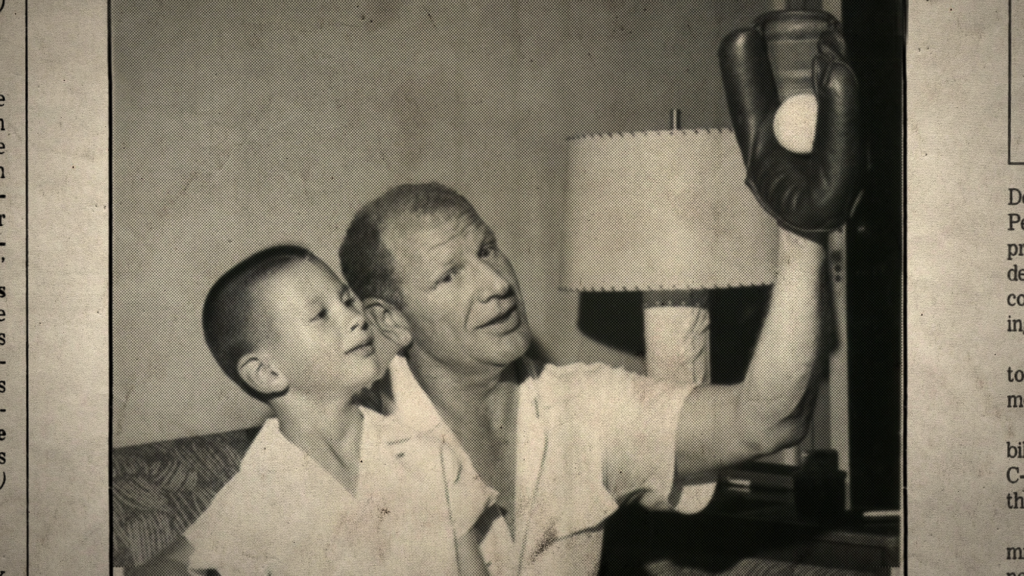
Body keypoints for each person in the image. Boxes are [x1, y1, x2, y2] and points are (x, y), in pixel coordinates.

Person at [336, 28, 862, 575]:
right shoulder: (349, 441)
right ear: (389, 320)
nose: (495, 282)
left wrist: (802, 239)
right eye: (450, 276)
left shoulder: (579, 407)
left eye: (488, 248)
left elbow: (765, 422)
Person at [131, 246, 494, 575]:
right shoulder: (256, 492)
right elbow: (170, 564)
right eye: (321, 314)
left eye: (348, 301)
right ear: (268, 373)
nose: (356, 319)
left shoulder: (431, 457)